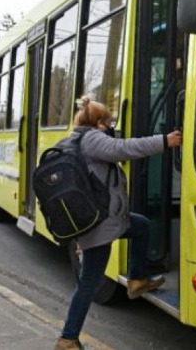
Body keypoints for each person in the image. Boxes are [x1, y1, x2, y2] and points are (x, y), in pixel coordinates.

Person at [56, 95, 182, 350]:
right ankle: (67, 338)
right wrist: (165, 141)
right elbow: (124, 148)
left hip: (102, 220)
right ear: (100, 122)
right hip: (100, 224)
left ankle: (137, 279)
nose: (111, 125)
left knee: (141, 226)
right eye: (109, 121)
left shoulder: (72, 140)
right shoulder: (92, 139)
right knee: (88, 284)